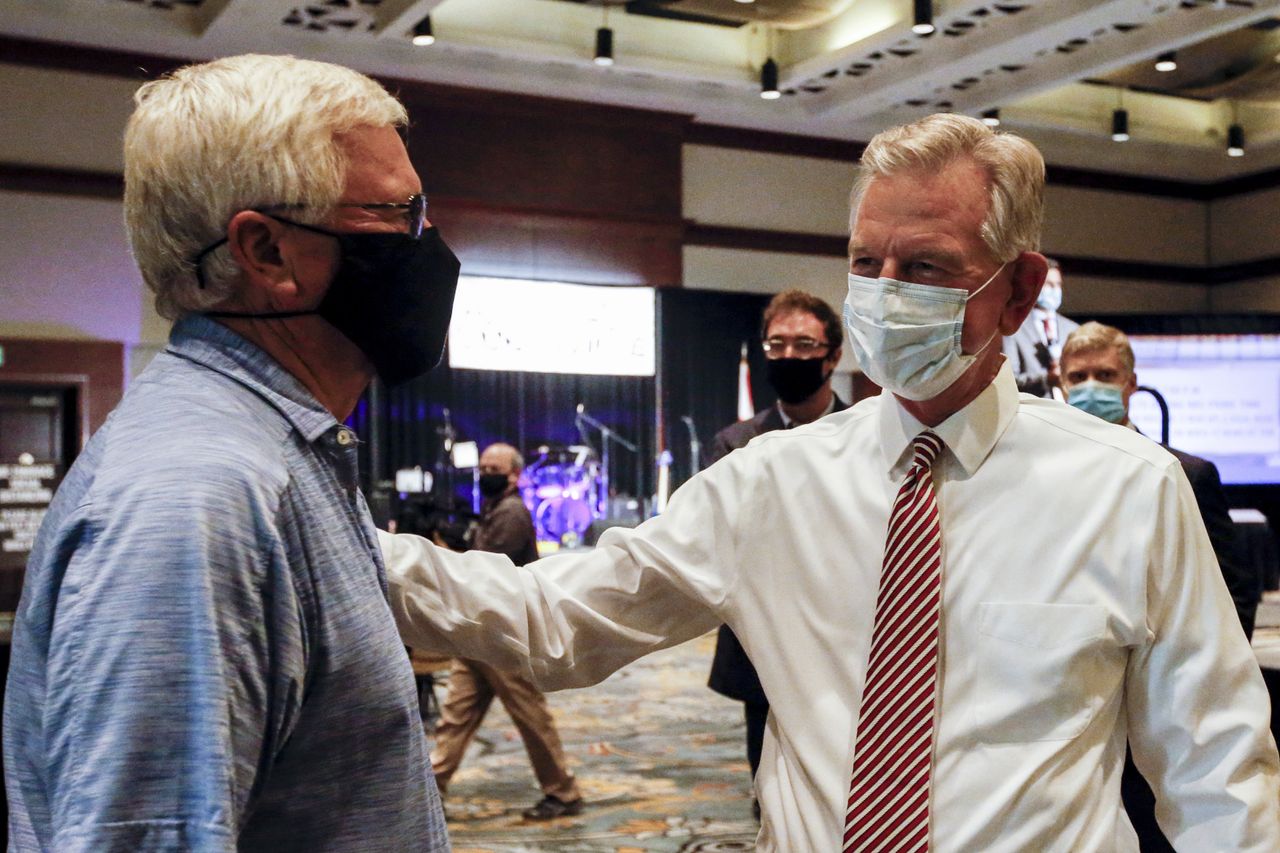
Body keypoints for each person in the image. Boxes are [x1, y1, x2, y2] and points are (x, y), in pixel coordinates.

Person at [379, 114, 1280, 850]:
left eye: (925, 268)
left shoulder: (1127, 489)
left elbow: (1216, 769)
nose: (886, 294)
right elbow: (561, 617)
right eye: (865, 264)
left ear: (1018, 290)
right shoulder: (772, 482)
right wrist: (347, 549)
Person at [4, 54, 460, 851]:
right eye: (401, 216)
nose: (426, 245)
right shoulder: (200, 495)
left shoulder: (283, 446)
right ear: (267, 252)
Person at [1060, 321, 1262, 853]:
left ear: (1131, 383)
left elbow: (1230, 595)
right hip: (1075, 705)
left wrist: (1197, 671)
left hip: (1165, 700)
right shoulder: (1039, 480)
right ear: (1059, 384)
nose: (1090, 385)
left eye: (1105, 374)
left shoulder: (1182, 474)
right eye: (1078, 375)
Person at [706, 288, 847, 818]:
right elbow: (729, 541)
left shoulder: (872, 431)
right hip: (760, 640)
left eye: (805, 344)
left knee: (843, 787)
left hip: (847, 639)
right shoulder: (734, 444)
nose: (789, 356)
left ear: (832, 356)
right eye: (777, 344)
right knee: (768, 794)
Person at [430, 443, 584, 821]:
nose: (485, 472)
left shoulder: (512, 512)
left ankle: (563, 792)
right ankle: (429, 791)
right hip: (478, 632)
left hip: (504, 635)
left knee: (528, 713)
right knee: (456, 715)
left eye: (493, 467)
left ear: (514, 474)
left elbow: (484, 569)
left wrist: (452, 548)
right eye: (482, 466)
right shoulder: (495, 508)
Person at [1003, 257, 1078, 398]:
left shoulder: (1073, 329)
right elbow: (1008, 378)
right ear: (1035, 287)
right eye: (1049, 284)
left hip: (1071, 410)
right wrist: (1046, 379)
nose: (1055, 290)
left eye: (1058, 285)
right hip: (1034, 409)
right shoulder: (1014, 327)